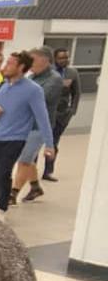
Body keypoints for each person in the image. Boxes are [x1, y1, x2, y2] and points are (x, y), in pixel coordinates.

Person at [0, 51, 54, 220]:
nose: (5, 66)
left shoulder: (33, 90)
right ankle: (0, 200)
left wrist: (50, 144)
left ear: (21, 67)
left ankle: (2, 207)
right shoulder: (0, 87)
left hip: (15, 138)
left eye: (9, 64)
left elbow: (42, 117)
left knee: (3, 171)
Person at [11, 46, 64, 203]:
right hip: (25, 125)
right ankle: (35, 187)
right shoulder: (32, 76)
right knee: (28, 158)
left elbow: (37, 99)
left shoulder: (54, 79)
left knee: (24, 159)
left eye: (32, 60)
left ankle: (12, 194)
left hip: (39, 127)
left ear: (45, 60)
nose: (29, 64)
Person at [43, 47, 82, 182]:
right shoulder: (48, 73)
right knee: (37, 143)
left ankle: (48, 171)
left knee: (53, 143)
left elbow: (76, 93)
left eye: (66, 57)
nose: (65, 60)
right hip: (46, 113)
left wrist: (72, 110)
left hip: (62, 115)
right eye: (61, 58)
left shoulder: (72, 73)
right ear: (55, 59)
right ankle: (29, 170)